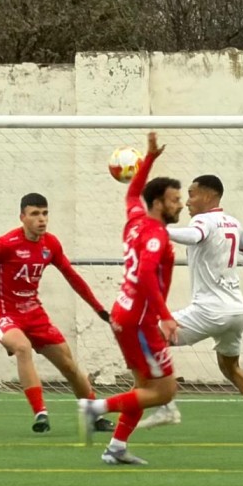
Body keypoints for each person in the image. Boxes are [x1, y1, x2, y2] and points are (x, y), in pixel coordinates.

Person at [137, 175, 243, 441]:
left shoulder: (202, 221)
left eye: (193, 194)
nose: (187, 202)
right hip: (236, 311)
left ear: (209, 195)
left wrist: (156, 229)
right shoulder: (234, 222)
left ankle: (164, 405)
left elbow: (194, 236)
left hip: (208, 311)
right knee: (231, 368)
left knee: (145, 339)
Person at [0, 193, 113, 433]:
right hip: (3, 314)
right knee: (22, 348)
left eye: (45, 213)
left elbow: (72, 277)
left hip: (35, 315)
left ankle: (93, 414)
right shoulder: (5, 244)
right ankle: (41, 413)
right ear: (22, 217)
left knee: (69, 366)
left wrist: (99, 308)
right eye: (35, 214)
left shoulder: (50, 244)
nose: (41, 219)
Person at [77, 131, 182, 465]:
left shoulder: (136, 220)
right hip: (141, 320)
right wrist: (165, 315)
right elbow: (149, 274)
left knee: (143, 388)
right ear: (158, 204)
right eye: (174, 199)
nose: (179, 204)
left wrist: (149, 158)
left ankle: (116, 448)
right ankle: (95, 407)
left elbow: (134, 191)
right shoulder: (154, 235)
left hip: (124, 314)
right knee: (164, 391)